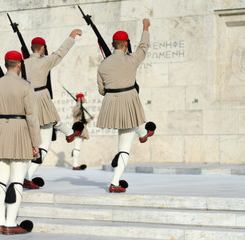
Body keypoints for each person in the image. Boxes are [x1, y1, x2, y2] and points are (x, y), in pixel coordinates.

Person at [96, 19, 156, 193]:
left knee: (128, 133)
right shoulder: (131, 60)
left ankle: (144, 133)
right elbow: (143, 47)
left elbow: (101, 90)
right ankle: (115, 182)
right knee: (124, 148)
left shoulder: (102, 65)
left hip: (111, 105)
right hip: (128, 102)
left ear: (112, 44)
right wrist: (145, 28)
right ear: (126, 44)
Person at [0, 51, 41, 234]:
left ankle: (0, 223)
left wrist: (4, 122)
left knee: (0, 181)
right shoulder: (25, 86)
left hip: (0, 132)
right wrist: (36, 142)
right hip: (21, 132)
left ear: (5, 63)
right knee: (17, 180)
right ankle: (10, 224)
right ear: (19, 65)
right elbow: (32, 117)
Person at [23, 30, 84, 189]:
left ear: (31, 48)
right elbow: (60, 53)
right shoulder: (44, 61)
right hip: (41, 99)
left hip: (26, 101)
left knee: (52, 121)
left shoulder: (21, 64)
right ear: (42, 48)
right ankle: (28, 176)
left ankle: (70, 133)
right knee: (45, 143)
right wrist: (71, 36)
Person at [71, 93, 94, 170]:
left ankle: (75, 164)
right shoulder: (78, 107)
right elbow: (74, 112)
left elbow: (82, 120)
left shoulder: (80, 108)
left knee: (77, 147)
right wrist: (79, 102)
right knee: (77, 147)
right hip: (78, 129)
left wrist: (89, 120)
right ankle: (75, 165)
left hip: (81, 129)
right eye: (83, 98)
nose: (84, 99)